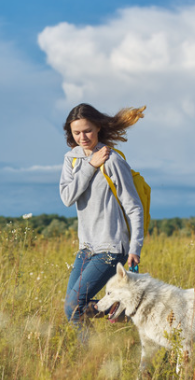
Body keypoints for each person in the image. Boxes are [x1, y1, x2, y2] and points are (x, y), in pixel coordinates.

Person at [59, 103, 146, 336]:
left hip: (111, 247)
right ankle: (129, 313)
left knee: (72, 307)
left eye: (87, 130)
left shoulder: (113, 160)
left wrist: (135, 247)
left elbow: (134, 207)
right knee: (73, 308)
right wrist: (90, 165)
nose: (82, 137)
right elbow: (67, 197)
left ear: (98, 127)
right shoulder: (72, 159)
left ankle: (89, 359)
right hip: (86, 248)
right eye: (76, 132)